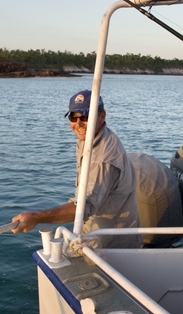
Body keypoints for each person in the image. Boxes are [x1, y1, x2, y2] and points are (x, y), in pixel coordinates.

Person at [12, 90, 141, 248]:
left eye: (85, 117)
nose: (78, 124)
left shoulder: (104, 158)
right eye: (73, 117)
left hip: (112, 245)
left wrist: (36, 217)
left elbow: (83, 207)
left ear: (102, 116)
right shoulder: (88, 138)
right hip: (93, 231)